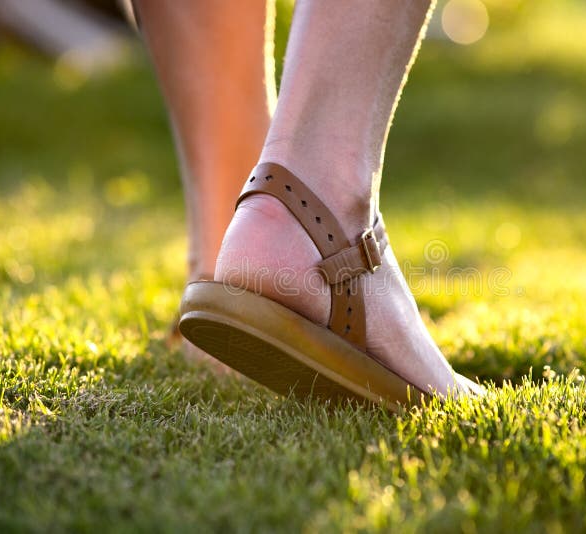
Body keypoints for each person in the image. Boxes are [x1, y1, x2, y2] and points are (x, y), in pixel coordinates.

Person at [133, 0, 480, 409]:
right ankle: (325, 208)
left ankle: (233, 253)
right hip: (329, 251)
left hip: (244, 247)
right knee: (318, 191)